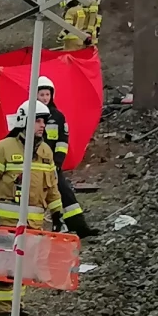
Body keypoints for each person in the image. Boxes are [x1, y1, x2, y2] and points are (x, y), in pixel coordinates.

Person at [0, 101, 63, 316]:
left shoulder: (45, 151)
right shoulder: (3, 148)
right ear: (24, 120)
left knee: (23, 268)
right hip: (5, 221)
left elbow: (52, 186)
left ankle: (16, 307)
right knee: (3, 267)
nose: (42, 125)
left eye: (43, 121)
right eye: (37, 120)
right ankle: (2, 312)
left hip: (33, 223)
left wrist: (57, 214)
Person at [36, 75, 99, 238]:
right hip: (34, 165)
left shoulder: (58, 116)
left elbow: (62, 142)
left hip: (52, 165)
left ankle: (80, 227)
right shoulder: (29, 115)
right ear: (35, 95)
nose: (44, 98)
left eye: (47, 95)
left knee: (66, 194)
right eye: (41, 94)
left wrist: (57, 162)